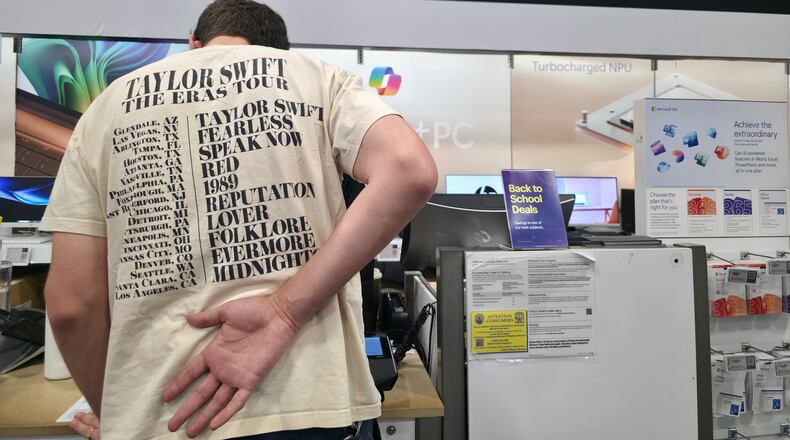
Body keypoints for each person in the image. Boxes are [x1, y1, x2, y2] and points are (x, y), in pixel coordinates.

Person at [41, 0, 437, 438]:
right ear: (279, 50)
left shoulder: (104, 110)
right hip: (311, 406)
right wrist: (283, 312)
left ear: (193, 42)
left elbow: (70, 306)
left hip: (171, 415)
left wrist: (118, 414)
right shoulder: (317, 78)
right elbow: (409, 171)